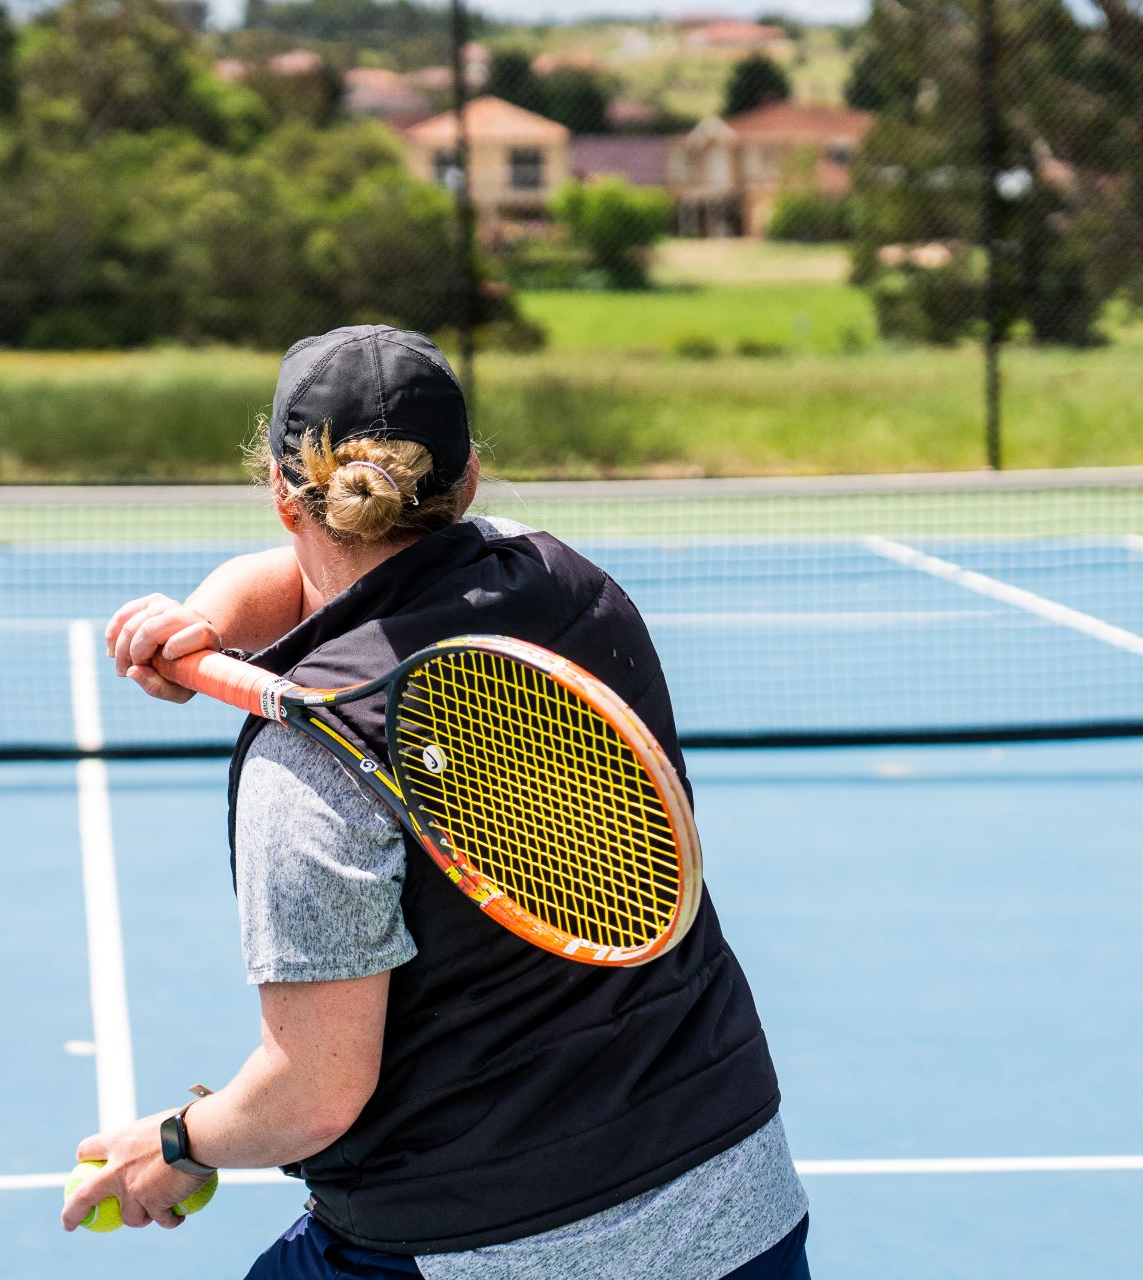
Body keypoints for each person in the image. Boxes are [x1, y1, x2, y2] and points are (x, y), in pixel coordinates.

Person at [70, 325, 809, 1279]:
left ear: (278, 491)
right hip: (734, 1198)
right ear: (464, 486)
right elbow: (313, 581)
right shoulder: (567, 591)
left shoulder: (309, 770)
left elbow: (314, 1095)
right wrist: (203, 619)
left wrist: (174, 1144)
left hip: (481, 1241)